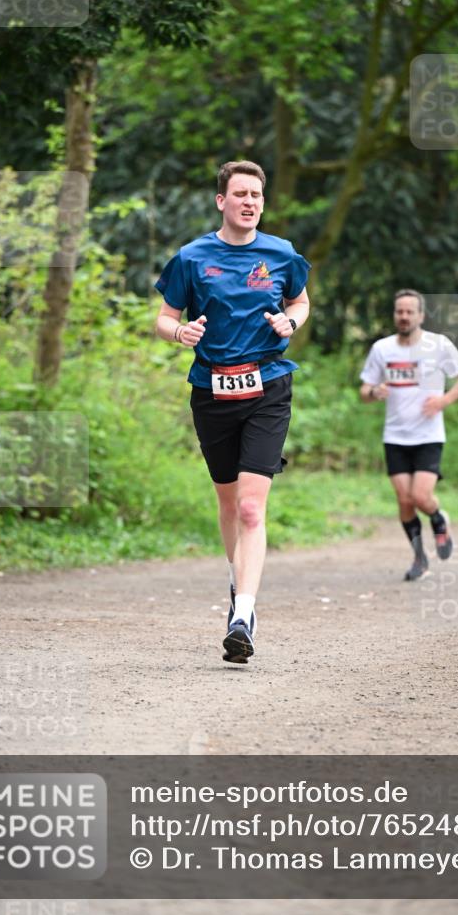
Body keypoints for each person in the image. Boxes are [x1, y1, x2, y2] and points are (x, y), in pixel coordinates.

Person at [154, 160, 310, 663]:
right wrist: (180, 333)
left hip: (268, 385)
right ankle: (236, 579)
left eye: (257, 195)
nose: (250, 202)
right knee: (227, 503)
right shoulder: (192, 258)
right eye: (240, 194)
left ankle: (243, 614)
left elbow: (301, 302)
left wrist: (290, 322)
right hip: (212, 390)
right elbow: (164, 317)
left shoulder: (281, 253)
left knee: (249, 507)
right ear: (221, 201)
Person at [360, 289, 458, 581]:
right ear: (394, 315)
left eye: (409, 312)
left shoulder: (438, 345)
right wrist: (375, 392)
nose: (404, 316)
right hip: (395, 436)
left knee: (420, 496)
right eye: (399, 311)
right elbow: (364, 391)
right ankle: (419, 558)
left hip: (429, 435)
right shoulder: (382, 349)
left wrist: (444, 401)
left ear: (421, 316)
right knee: (404, 501)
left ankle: (438, 519)